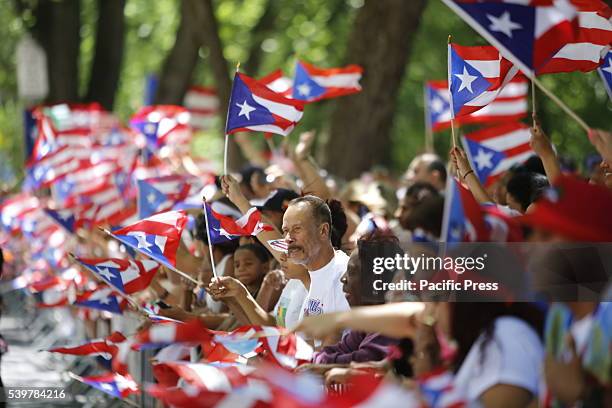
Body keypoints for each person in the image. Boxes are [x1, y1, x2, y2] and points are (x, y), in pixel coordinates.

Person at [282, 196, 351, 324]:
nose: (288, 238)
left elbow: (337, 342)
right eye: (285, 230)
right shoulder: (316, 275)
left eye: (297, 229)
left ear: (323, 231)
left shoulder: (343, 277)